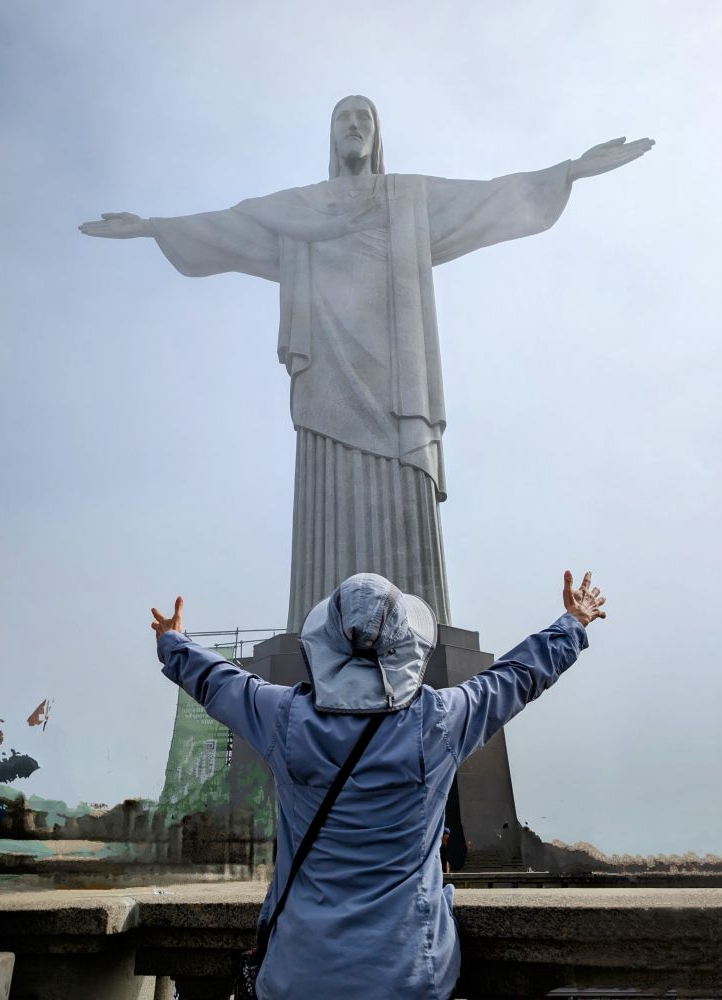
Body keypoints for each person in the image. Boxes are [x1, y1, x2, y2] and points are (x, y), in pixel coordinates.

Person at [83, 95, 652, 631]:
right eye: (343, 117)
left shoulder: (409, 198)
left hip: (400, 380)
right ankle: (319, 624)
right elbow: (230, 226)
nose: (354, 125)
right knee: (327, 492)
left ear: (377, 135)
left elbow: (489, 198)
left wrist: (568, 172)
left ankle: (416, 625)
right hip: (326, 373)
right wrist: (155, 227)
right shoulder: (298, 208)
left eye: (364, 117)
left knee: (404, 481)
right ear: (331, 136)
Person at [152, 569, 606, 999]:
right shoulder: (437, 722)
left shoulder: (286, 718)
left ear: (326, 637)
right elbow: (515, 678)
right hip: (410, 976)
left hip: (299, 974)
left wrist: (174, 642)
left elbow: (221, 683)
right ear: (405, 640)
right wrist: (573, 623)